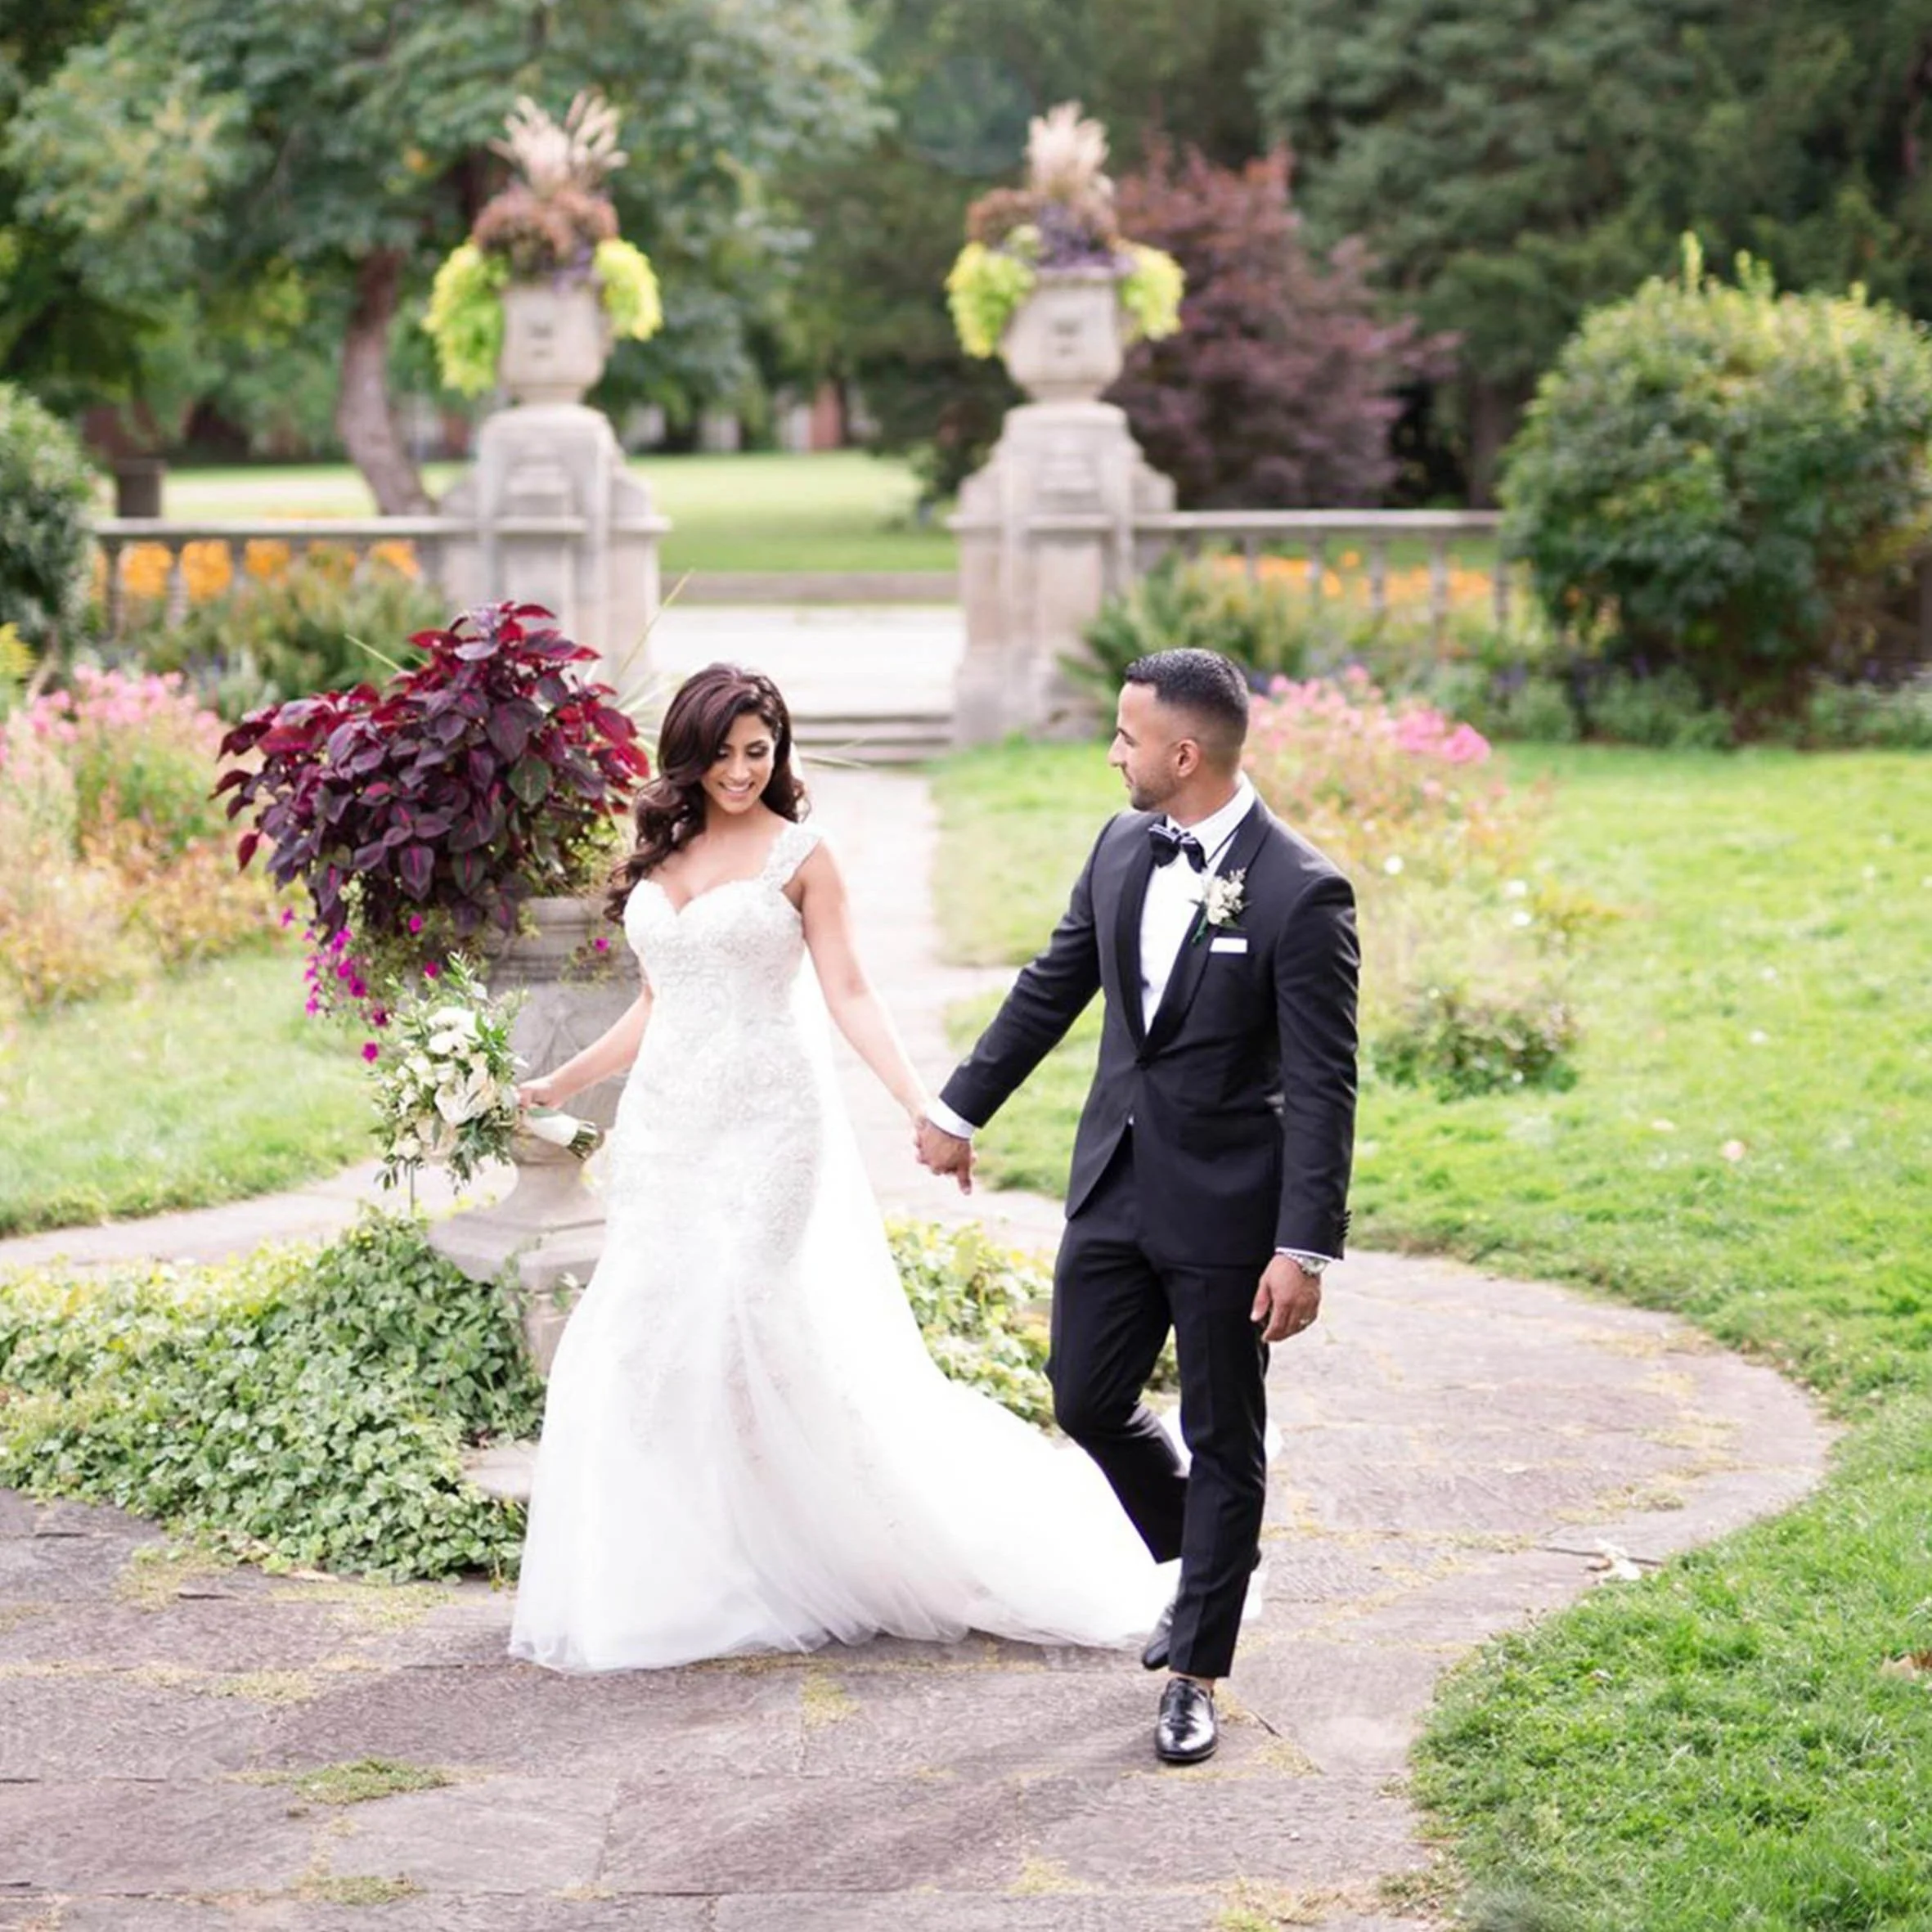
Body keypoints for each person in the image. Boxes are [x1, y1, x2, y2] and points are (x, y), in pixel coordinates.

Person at [507, 663, 1164, 1677]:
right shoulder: (662, 848)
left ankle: (821, 1547)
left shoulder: (801, 855)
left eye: (757, 751)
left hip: (771, 1125)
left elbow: (851, 991)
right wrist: (561, 1080)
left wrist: (922, 1103)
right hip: (670, 1130)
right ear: (690, 750)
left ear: (779, 752)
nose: (738, 770)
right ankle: (692, 1553)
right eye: (722, 752)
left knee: (750, 1317)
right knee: (649, 1335)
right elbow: (658, 999)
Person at [916, 648, 1359, 1764]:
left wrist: (1301, 1245)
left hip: (1227, 1211)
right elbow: (1052, 983)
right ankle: (1211, 1554)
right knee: (1085, 1391)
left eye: (1125, 736)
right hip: (1114, 1182)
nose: (1110, 751)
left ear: (1183, 752)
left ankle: (1197, 1664)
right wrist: (959, 1107)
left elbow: (1321, 1085)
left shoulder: (1303, 892)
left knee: (1224, 1436)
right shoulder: (1121, 843)